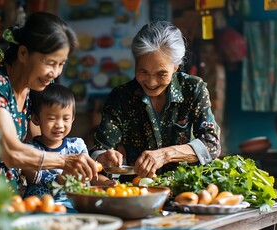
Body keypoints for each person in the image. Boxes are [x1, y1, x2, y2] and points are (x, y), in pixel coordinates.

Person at [0, 12, 98, 193]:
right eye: (50, 63)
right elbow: (12, 152)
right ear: (23, 53)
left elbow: (40, 146)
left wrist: (96, 160)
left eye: (61, 64)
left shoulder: (35, 88)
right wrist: (64, 160)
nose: (55, 73)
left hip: (7, 196)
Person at [90, 21, 221, 179]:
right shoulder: (121, 96)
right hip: (136, 191)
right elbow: (99, 150)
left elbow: (211, 145)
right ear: (135, 62)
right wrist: (103, 157)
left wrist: (167, 154)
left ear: (176, 66)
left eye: (161, 74)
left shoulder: (193, 89)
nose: (151, 83)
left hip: (185, 190)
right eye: (143, 71)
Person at [23, 83, 116, 199]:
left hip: (75, 205)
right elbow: (40, 178)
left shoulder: (77, 146)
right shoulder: (30, 151)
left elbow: (91, 176)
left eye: (66, 118)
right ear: (36, 119)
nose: (59, 125)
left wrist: (107, 183)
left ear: (72, 118)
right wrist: (63, 177)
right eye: (51, 118)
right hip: (40, 208)